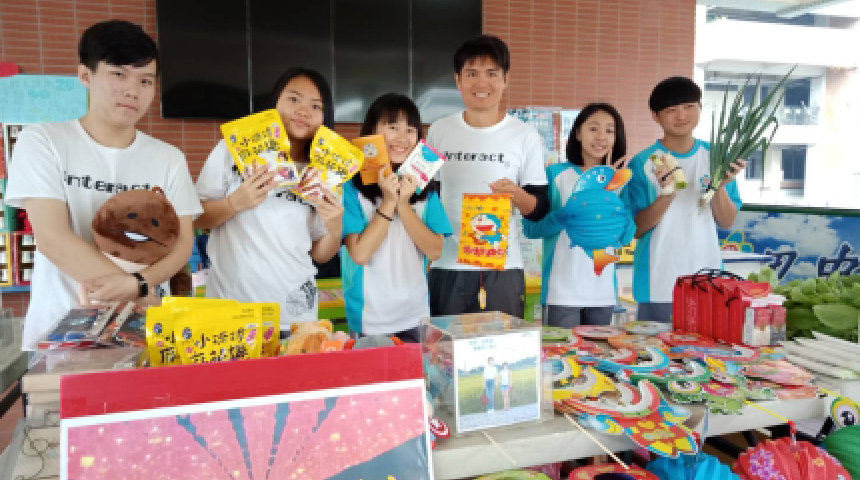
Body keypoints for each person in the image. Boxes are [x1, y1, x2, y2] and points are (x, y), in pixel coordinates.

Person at [6, 20, 202, 350]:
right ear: (86, 75)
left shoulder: (169, 158)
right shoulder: (43, 141)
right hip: (64, 331)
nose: (132, 90)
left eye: (145, 80)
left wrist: (139, 285)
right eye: (118, 74)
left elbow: (182, 243)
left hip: (146, 332)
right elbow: (52, 237)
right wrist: (137, 290)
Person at [194, 67, 344, 332]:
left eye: (316, 106)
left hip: (294, 312)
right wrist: (235, 202)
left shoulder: (326, 174)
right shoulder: (233, 150)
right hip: (232, 308)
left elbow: (320, 255)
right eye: (294, 99)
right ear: (275, 103)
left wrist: (335, 229)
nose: (303, 111)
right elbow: (197, 217)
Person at [427, 35, 549, 318]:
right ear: (458, 80)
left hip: (503, 269)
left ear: (505, 80)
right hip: (448, 264)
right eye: (472, 74)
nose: (481, 83)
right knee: (445, 344)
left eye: (491, 73)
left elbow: (539, 208)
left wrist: (517, 195)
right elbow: (424, 193)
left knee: (504, 345)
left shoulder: (525, 135)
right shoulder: (439, 130)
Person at [623, 76, 745, 323]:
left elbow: (727, 221)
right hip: (658, 282)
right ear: (656, 116)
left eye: (689, 106)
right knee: (657, 346)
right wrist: (666, 195)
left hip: (707, 280)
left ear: (700, 107)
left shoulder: (717, 157)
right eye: (671, 110)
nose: (681, 115)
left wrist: (720, 185)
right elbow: (636, 228)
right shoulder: (643, 163)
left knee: (705, 347)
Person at [341, 94, 452, 343]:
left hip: (416, 314)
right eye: (392, 127)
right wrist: (389, 202)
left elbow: (435, 250)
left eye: (410, 130)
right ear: (372, 130)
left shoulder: (426, 190)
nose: (402, 138)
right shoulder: (351, 188)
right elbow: (360, 254)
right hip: (369, 316)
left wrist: (403, 204)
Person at [524, 103, 635, 327]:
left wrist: (610, 199)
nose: (601, 137)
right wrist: (564, 215)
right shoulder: (554, 175)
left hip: (603, 294)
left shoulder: (618, 180)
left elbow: (625, 237)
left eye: (609, 130)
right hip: (561, 293)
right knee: (564, 349)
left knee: (598, 350)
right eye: (593, 128)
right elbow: (531, 229)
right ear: (578, 133)